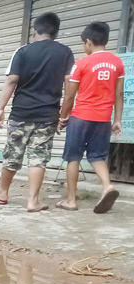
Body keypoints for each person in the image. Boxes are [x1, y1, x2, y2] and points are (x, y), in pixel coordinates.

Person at [0, 12, 73, 212]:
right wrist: (64, 113)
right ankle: (33, 201)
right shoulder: (65, 52)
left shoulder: (22, 51)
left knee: (13, 154)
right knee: (39, 157)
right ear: (55, 32)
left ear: (34, 31)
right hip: (48, 115)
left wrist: (0, 107)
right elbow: (69, 86)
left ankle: (2, 192)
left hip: (21, 113)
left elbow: (11, 80)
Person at [58, 21, 125, 214]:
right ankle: (107, 186)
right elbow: (118, 94)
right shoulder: (117, 63)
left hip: (81, 117)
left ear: (88, 42)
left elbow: (70, 95)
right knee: (97, 156)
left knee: (73, 158)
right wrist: (117, 120)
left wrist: (63, 118)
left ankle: (71, 200)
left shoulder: (81, 64)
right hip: (103, 118)